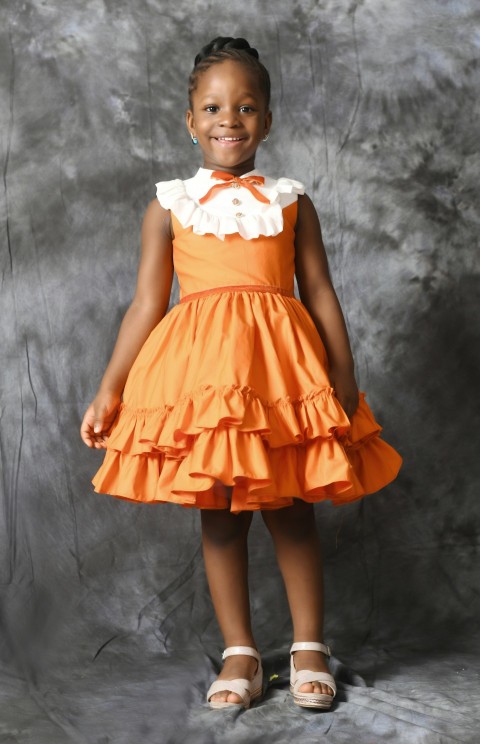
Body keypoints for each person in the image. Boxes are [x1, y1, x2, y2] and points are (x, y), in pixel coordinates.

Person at [80, 36, 402, 711]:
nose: (230, 119)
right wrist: (111, 387)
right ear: (191, 120)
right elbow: (146, 303)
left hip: (280, 379)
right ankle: (241, 654)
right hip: (201, 385)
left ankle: (309, 645)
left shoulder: (292, 202)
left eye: (247, 106)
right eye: (214, 107)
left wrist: (342, 375)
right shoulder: (167, 207)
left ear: (268, 120)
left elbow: (319, 292)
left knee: (291, 508)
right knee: (220, 514)